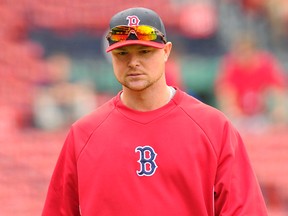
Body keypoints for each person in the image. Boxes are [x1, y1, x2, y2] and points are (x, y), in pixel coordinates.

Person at [42, 7, 268, 215]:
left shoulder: (213, 127)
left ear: (166, 52)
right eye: (123, 53)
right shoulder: (83, 134)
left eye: (144, 51)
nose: (133, 62)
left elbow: (245, 210)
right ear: (111, 57)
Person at [215, 34, 287, 127]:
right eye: (241, 53)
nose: (244, 56)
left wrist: (277, 109)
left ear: (255, 52)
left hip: (264, 115)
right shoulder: (231, 66)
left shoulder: (266, 64)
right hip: (240, 117)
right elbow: (225, 92)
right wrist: (233, 110)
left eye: (247, 52)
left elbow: (279, 90)